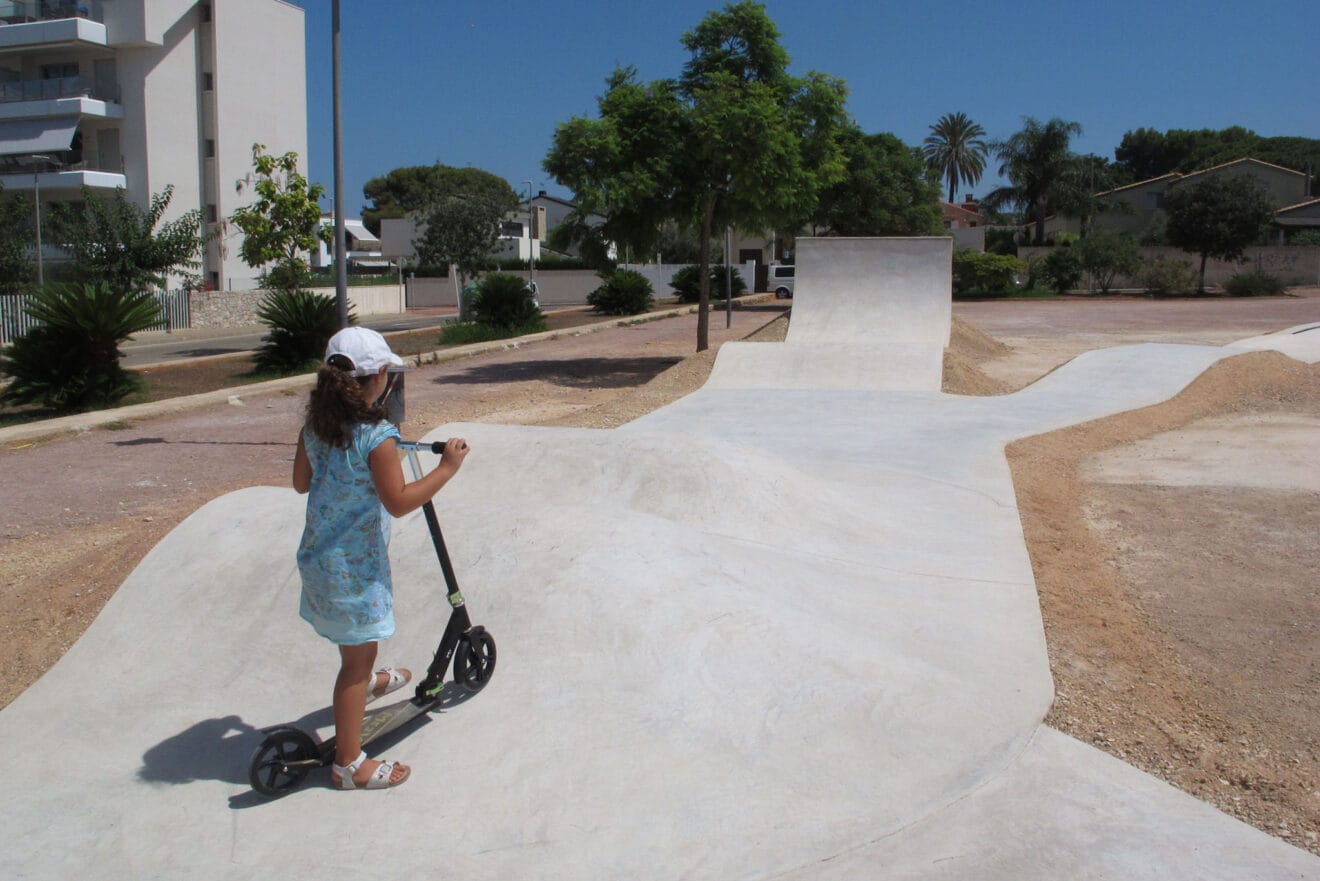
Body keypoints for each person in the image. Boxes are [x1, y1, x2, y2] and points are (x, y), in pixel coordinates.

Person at [292, 326, 469, 790]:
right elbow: (398, 501)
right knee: (354, 663)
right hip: (353, 572)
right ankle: (349, 764)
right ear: (378, 381)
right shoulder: (377, 437)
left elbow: (300, 482)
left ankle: (368, 682)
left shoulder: (315, 425)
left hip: (318, 560)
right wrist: (446, 469)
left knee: (354, 648)